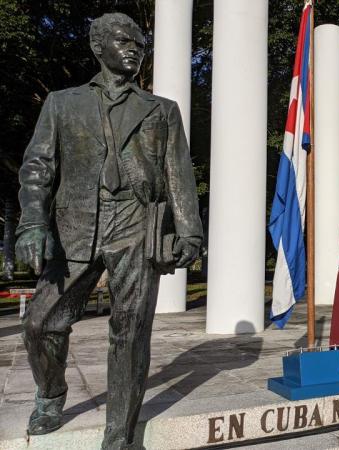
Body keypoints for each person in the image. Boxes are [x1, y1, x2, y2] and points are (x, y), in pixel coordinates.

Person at [15, 13, 202, 448]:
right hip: (75, 223)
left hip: (136, 222)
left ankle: (118, 437)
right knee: (40, 324)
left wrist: (189, 232)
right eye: (124, 40)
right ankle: (51, 392)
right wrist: (32, 222)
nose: (135, 48)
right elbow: (37, 167)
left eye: (140, 42)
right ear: (98, 47)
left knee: (131, 330)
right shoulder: (62, 103)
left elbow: (179, 175)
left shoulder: (161, 110)